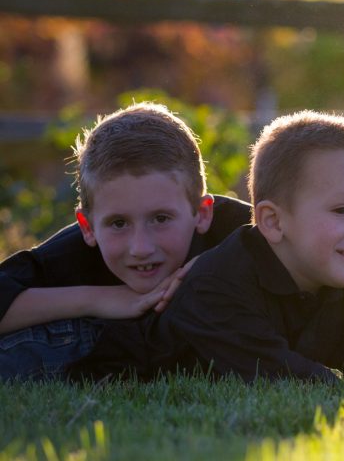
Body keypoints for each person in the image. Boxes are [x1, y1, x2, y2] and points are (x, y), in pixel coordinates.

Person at [79, 110, 344, 386]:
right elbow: (275, 370)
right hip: (84, 348)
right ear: (272, 221)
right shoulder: (216, 285)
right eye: (342, 210)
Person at [0, 102, 252, 380]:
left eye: (161, 219)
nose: (141, 248)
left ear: (202, 213)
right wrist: (100, 299)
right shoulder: (73, 254)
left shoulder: (244, 232)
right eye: (118, 224)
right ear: (88, 227)